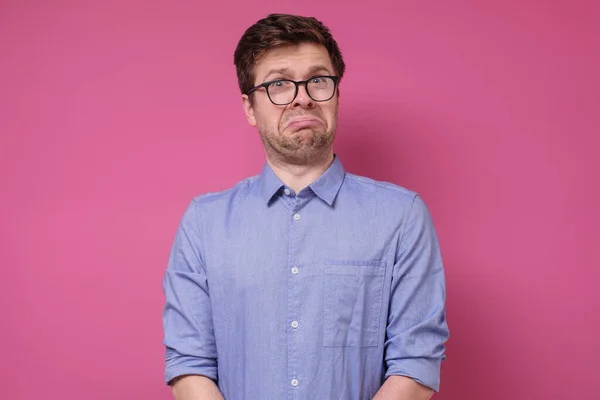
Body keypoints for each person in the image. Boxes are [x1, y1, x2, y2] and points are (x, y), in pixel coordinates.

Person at [162, 13, 449, 400]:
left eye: (318, 80)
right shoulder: (203, 222)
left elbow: (415, 363)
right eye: (279, 83)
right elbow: (189, 363)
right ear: (249, 107)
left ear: (336, 93)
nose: (302, 96)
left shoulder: (402, 216)